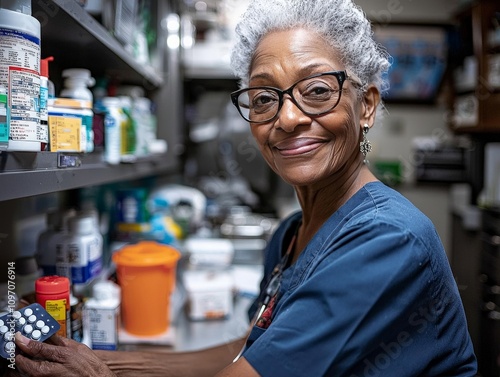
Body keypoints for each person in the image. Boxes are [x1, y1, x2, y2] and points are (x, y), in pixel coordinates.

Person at [3, 0, 477, 376]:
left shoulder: (387, 240)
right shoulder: (291, 234)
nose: (287, 119)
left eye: (317, 90)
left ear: (367, 105)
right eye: (265, 97)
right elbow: (253, 350)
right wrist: (109, 362)